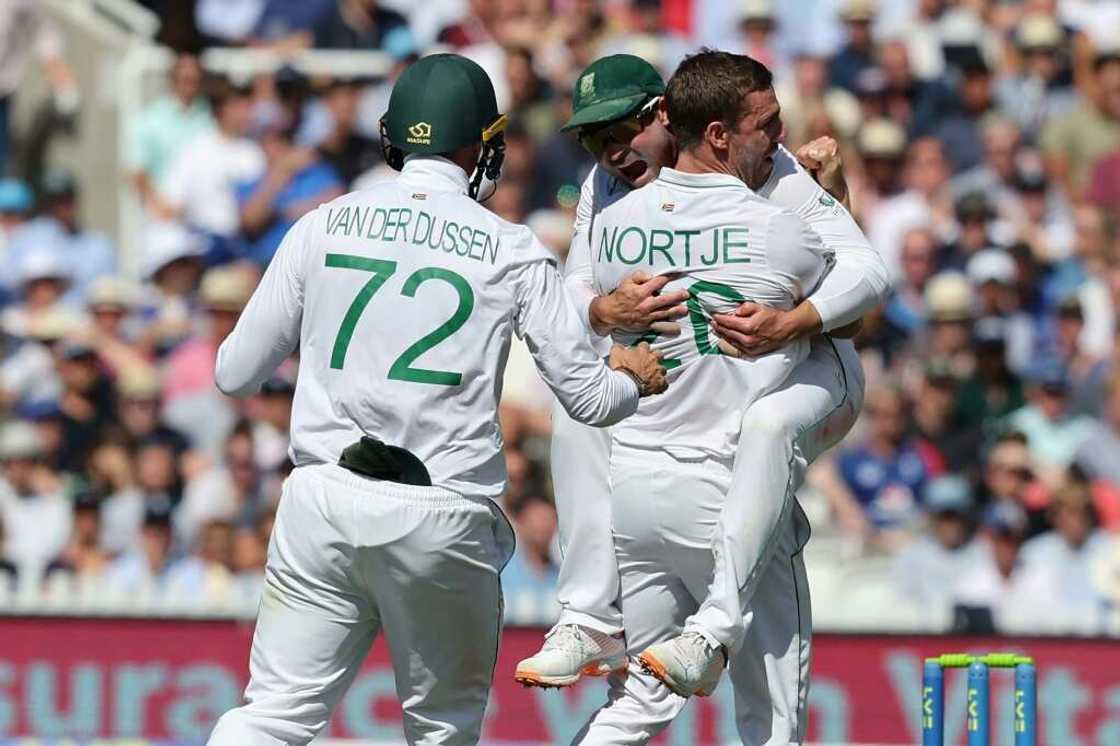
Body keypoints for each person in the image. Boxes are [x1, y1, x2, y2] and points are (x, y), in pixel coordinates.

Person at [206, 53, 666, 746]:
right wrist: (633, 374)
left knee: (273, 715)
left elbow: (234, 373)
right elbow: (590, 400)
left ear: (395, 137)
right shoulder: (513, 247)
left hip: (322, 496)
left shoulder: (322, 223)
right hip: (442, 511)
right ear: (483, 142)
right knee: (442, 729)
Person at [515, 49, 884, 711]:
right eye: (596, 142)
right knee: (581, 407)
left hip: (819, 371)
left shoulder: (771, 167)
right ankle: (588, 617)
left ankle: (715, 626)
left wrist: (792, 320)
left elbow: (861, 304)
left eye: (623, 134)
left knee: (764, 426)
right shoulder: (606, 189)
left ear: (665, 115)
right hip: (707, 398)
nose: (612, 154)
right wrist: (604, 310)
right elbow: (568, 299)